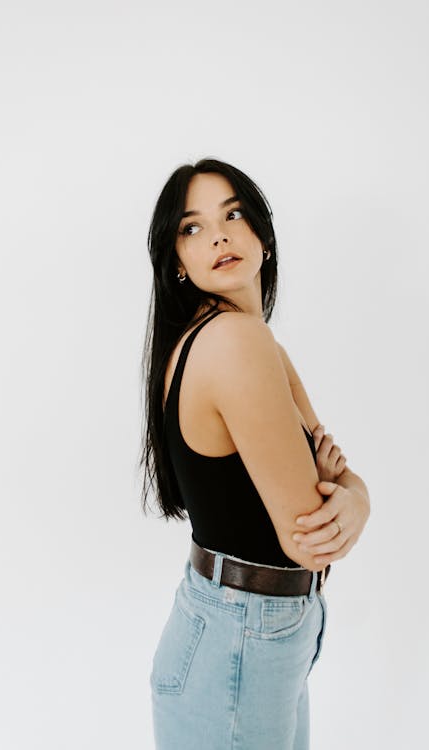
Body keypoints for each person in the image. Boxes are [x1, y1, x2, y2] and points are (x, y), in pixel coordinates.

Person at [139, 157, 370, 749]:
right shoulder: (233, 342)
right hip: (242, 638)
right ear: (179, 265)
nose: (218, 234)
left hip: (247, 632)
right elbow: (307, 533)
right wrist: (346, 503)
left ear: (262, 239)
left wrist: (357, 501)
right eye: (192, 228)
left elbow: (339, 477)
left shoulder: (250, 340)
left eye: (233, 214)